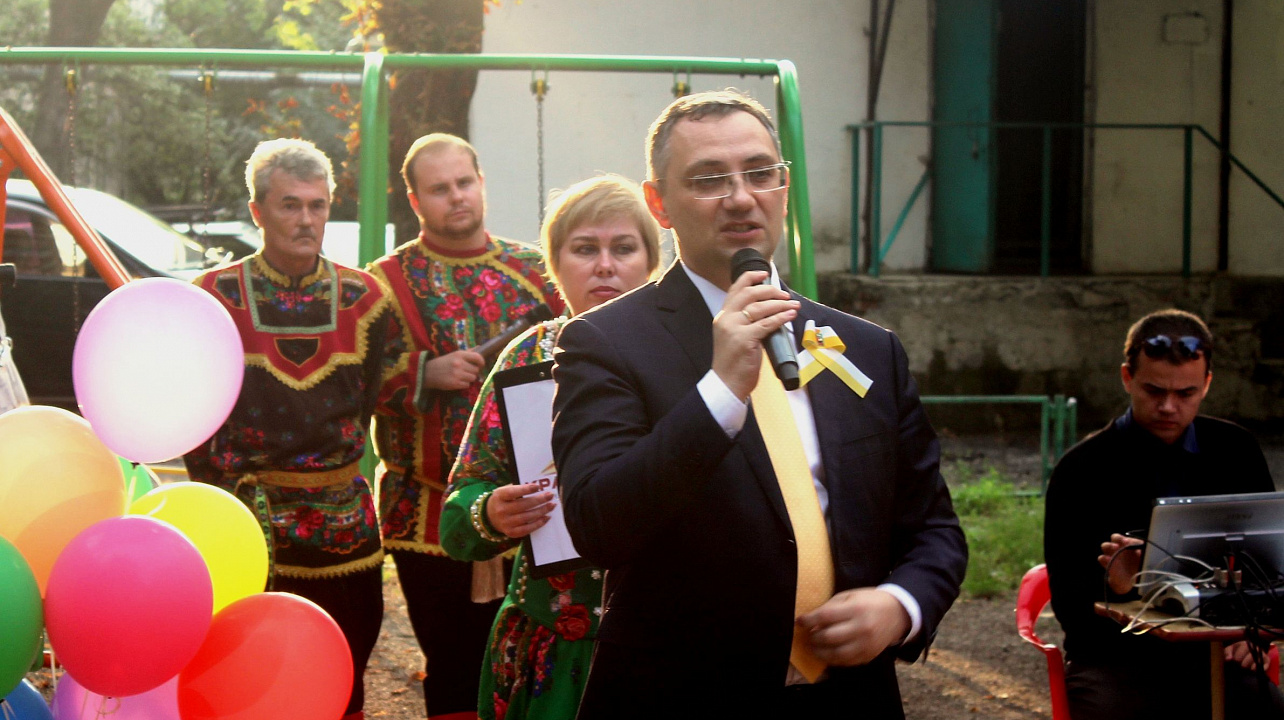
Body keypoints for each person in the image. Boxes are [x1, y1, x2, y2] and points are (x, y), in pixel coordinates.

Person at [550, 90, 967, 718]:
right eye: (708, 179)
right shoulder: (604, 342)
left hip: (849, 695)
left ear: (784, 186)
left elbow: (933, 527)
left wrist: (900, 605)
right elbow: (597, 525)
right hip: (680, 696)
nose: (741, 197)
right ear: (659, 204)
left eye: (759, 172)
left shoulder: (867, 347)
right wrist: (719, 391)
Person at [439, 174, 662, 720]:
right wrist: (491, 511)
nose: (604, 265)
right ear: (555, 264)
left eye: (623, 248)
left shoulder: (692, 352)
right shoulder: (526, 357)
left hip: (662, 645)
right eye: (584, 249)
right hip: (550, 651)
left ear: (653, 262)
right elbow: (458, 512)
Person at [183, 138, 391, 720]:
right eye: (290, 205)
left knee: (343, 675)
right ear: (258, 211)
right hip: (249, 529)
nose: (306, 220)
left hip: (345, 529)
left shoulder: (366, 299)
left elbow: (373, 398)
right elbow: (196, 415)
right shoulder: (213, 297)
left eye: (317, 205)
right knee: (251, 680)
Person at [368, 133, 565, 720]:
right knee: (453, 663)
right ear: (414, 200)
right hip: (424, 513)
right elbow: (350, 383)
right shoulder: (382, 283)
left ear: (481, 182)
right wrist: (422, 373)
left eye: (463, 183)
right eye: (439, 189)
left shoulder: (538, 270)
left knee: (536, 659)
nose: (456, 197)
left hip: (537, 507)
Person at [1045, 308, 1283, 719]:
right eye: (1154, 391)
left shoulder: (1236, 450)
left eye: (1185, 393)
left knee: (1263, 709)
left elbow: (1269, 568)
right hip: (1114, 659)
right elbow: (1069, 603)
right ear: (1127, 378)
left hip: (1215, 652)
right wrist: (1117, 588)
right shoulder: (1081, 469)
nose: (1168, 407)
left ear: (1207, 384)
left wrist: (1255, 637)